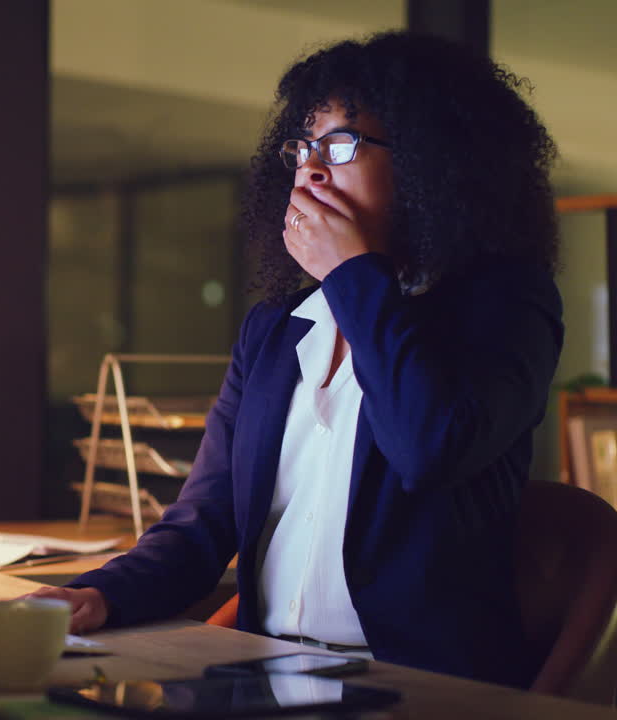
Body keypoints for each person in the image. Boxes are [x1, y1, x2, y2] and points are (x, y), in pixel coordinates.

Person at [29, 30, 563, 689]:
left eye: (341, 144)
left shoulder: (508, 307)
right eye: (303, 146)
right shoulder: (274, 332)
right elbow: (206, 518)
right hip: (262, 679)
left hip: (416, 689)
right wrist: (99, 595)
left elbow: (430, 445)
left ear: (432, 161)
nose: (310, 169)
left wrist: (352, 272)